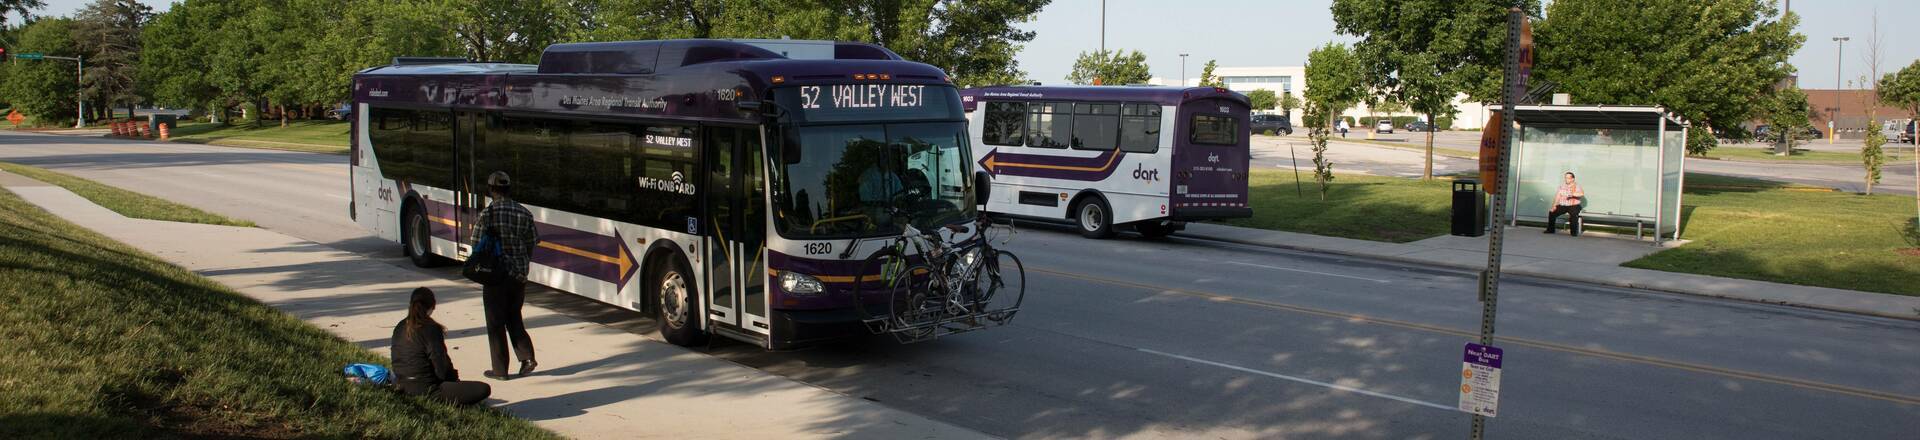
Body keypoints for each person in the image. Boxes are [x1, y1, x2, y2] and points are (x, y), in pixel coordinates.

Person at [480, 171, 539, 380]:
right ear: (509, 189)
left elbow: (475, 242)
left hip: (495, 275)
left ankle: (500, 370)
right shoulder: (524, 213)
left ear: (491, 190)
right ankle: (527, 358)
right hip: (519, 276)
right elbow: (532, 242)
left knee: (495, 322)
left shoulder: (488, 214)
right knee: (514, 315)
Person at [392, 287, 492, 406]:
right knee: (483, 389)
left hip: (401, 384)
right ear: (432, 307)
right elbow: (441, 367)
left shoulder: (400, 326)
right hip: (427, 389)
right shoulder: (431, 328)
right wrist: (453, 379)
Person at [1545, 171, 1585, 236]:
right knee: (1552, 212)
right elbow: (1557, 196)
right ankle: (1550, 230)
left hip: (1574, 205)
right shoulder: (1562, 186)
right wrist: (1554, 206)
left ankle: (1573, 232)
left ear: (1572, 179)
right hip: (1563, 205)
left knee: (1573, 215)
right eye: (1565, 178)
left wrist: (1572, 194)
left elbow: (1581, 194)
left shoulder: (1577, 186)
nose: (1566, 179)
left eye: (1568, 178)